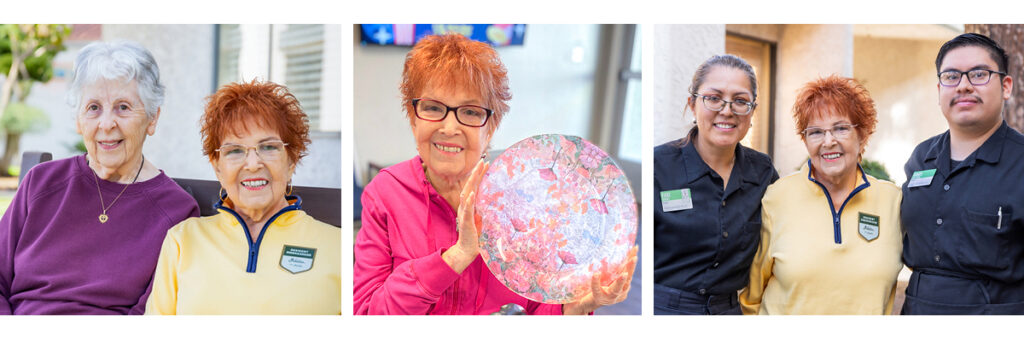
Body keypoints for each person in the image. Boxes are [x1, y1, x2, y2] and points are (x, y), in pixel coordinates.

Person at [354, 33, 636, 315]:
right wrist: (457, 256)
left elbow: (537, 312)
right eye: (433, 108)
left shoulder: (528, 199)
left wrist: (572, 310)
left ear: (491, 127)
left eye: (471, 111)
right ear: (413, 118)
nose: (450, 128)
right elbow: (367, 315)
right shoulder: (385, 193)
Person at [0, 41, 199, 314]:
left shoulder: (177, 212)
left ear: (152, 119)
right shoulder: (41, 183)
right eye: (94, 107)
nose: (107, 124)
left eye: (123, 107)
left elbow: (152, 314)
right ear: (78, 120)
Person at [145, 80, 340, 314]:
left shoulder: (337, 246)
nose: (253, 163)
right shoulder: (182, 240)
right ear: (217, 167)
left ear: (291, 160)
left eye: (268, 147)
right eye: (235, 151)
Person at [740, 75, 903, 315]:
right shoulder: (777, 198)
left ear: (863, 134)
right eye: (815, 132)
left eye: (840, 128)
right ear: (805, 140)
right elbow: (750, 298)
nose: (829, 142)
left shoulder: (893, 201)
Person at [900, 33, 1024, 314]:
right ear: (939, 89)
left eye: (979, 74)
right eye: (952, 76)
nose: (964, 86)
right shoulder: (922, 157)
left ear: (1006, 86)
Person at [653, 54, 778, 315]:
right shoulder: (659, 166)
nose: (727, 110)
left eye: (740, 101)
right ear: (692, 104)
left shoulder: (763, 172)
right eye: (713, 98)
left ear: (752, 111)